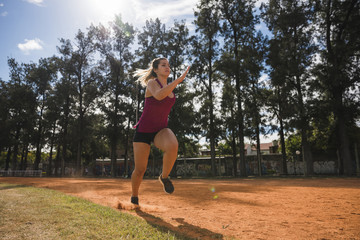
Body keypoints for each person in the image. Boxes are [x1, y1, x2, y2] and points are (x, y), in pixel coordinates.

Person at [131, 57, 190, 205]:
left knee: (173, 145)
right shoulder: (152, 83)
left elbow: (165, 95)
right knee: (140, 170)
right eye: (163, 65)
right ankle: (134, 197)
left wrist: (175, 82)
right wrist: (178, 80)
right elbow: (159, 96)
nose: (167, 67)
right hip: (143, 130)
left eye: (168, 65)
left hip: (160, 130)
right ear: (156, 70)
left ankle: (164, 177)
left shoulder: (170, 89)